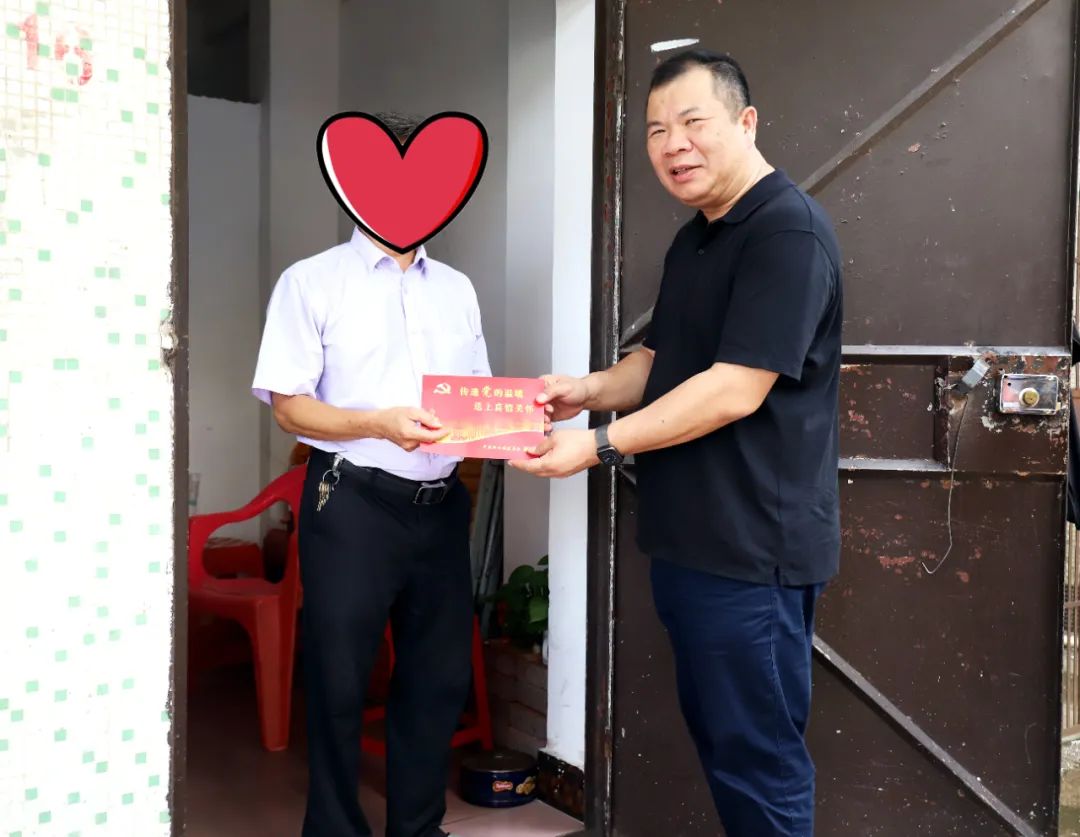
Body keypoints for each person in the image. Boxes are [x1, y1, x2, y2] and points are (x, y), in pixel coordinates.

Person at [512, 50, 843, 836]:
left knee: (759, 761)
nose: (673, 144)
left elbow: (735, 387)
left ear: (746, 121)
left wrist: (596, 446)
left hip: (752, 555)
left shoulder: (786, 232)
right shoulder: (696, 238)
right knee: (727, 749)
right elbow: (660, 361)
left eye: (693, 122)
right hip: (693, 548)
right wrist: (585, 390)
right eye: (658, 130)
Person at [251, 111, 493, 837]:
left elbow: (478, 397)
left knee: (438, 676)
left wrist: (522, 427)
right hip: (352, 499)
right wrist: (377, 423)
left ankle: (417, 827)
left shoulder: (457, 288)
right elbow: (289, 408)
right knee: (338, 675)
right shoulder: (311, 282)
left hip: (440, 506)